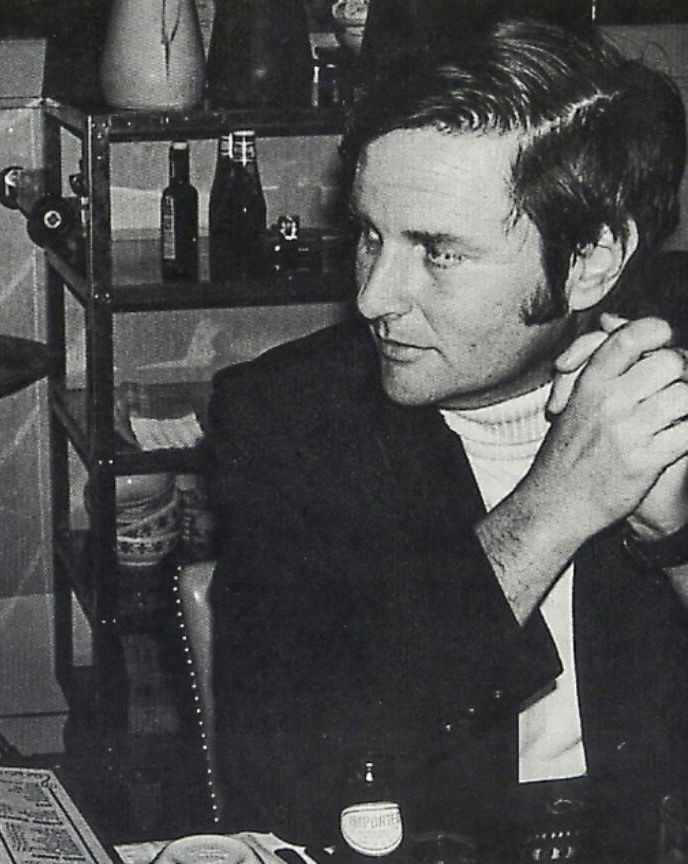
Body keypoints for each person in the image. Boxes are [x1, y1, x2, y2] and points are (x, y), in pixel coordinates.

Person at [209, 18, 688, 860]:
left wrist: (674, 543)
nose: (373, 297)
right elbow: (290, 776)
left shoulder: (667, 385)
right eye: (369, 235)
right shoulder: (287, 421)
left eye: (438, 253)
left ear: (590, 263)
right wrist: (551, 510)